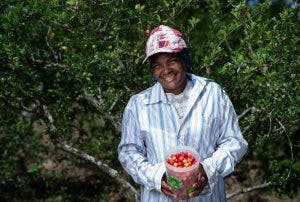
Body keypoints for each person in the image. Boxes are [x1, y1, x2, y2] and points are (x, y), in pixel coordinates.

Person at [118, 24, 248, 201]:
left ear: (184, 60)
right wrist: (156, 176)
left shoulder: (212, 93)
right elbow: (128, 152)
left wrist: (208, 169)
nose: (166, 70)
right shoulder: (138, 105)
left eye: (172, 61)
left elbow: (234, 142)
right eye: (157, 65)